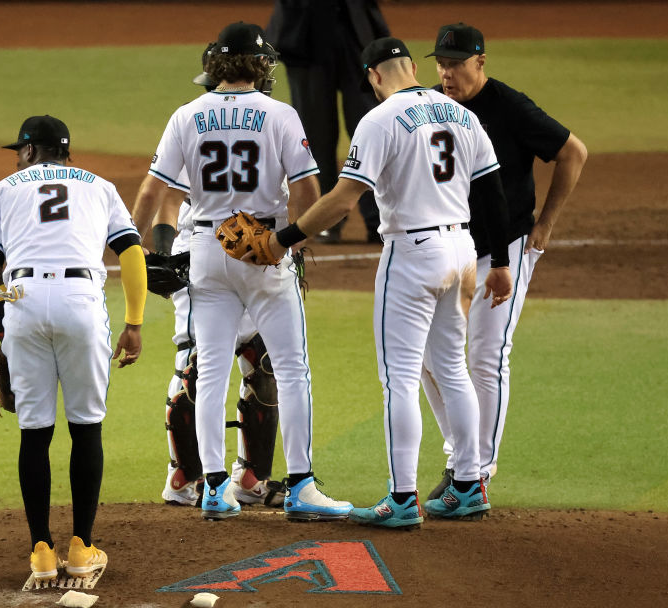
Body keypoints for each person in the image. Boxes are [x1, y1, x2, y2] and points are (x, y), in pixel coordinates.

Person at [247, 37, 514, 525]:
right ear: (412, 66)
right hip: (463, 251)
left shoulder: (379, 120)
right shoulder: (461, 113)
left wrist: (282, 238)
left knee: (400, 380)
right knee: (453, 369)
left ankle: (402, 499)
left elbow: (344, 200)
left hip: (413, 255)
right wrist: (499, 260)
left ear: (372, 77)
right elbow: (493, 191)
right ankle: (469, 485)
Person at [131, 21, 353, 522]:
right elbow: (308, 195)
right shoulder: (280, 114)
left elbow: (152, 193)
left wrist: (131, 252)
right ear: (263, 65)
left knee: (208, 371)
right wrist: (286, 243)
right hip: (265, 251)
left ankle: (213, 490)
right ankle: (300, 485)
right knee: (292, 370)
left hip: (207, 247)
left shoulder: (187, 115)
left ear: (214, 65)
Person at [0, 115, 146, 586]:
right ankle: (82, 547)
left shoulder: (5, 189)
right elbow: (130, 251)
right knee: (86, 426)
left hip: (23, 302)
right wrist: (133, 323)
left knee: (35, 432)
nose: (16, 157)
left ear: (30, 151)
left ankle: (41, 552)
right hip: (80, 300)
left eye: (19, 150)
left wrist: (3, 330)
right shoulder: (100, 186)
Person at [420, 23, 588, 498]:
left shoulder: (509, 107)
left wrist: (546, 224)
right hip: (450, 248)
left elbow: (573, 152)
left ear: (481, 61)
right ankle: (462, 458)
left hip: (506, 248)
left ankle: (480, 472)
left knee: (487, 354)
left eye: (456, 62)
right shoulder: (430, 107)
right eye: (441, 62)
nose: (447, 72)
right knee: (431, 359)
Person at [155, 44, 284, 509]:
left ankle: (250, 479)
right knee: (197, 365)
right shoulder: (196, 123)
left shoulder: (270, 125)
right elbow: (166, 194)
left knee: (261, 360)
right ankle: (184, 478)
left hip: (254, 257)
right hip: (205, 252)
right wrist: (164, 248)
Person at [266, 0, 389, 244]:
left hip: (354, 28)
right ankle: (324, 221)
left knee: (370, 126)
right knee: (316, 134)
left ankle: (379, 219)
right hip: (305, 31)